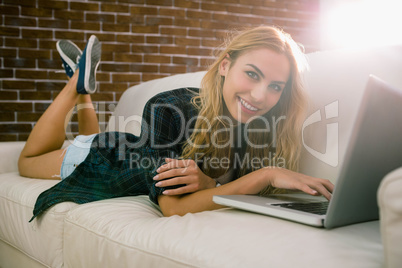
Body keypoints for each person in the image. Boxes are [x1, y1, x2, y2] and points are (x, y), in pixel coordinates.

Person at [19, 27, 334, 221]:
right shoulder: (169, 106)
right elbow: (171, 207)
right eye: (252, 74)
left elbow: (218, 186)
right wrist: (267, 175)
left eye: (276, 86)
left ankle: (85, 90)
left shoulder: (259, 127)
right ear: (225, 65)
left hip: (125, 146)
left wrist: (215, 185)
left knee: (91, 134)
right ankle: (76, 82)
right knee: (27, 160)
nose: (261, 95)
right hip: (100, 159)